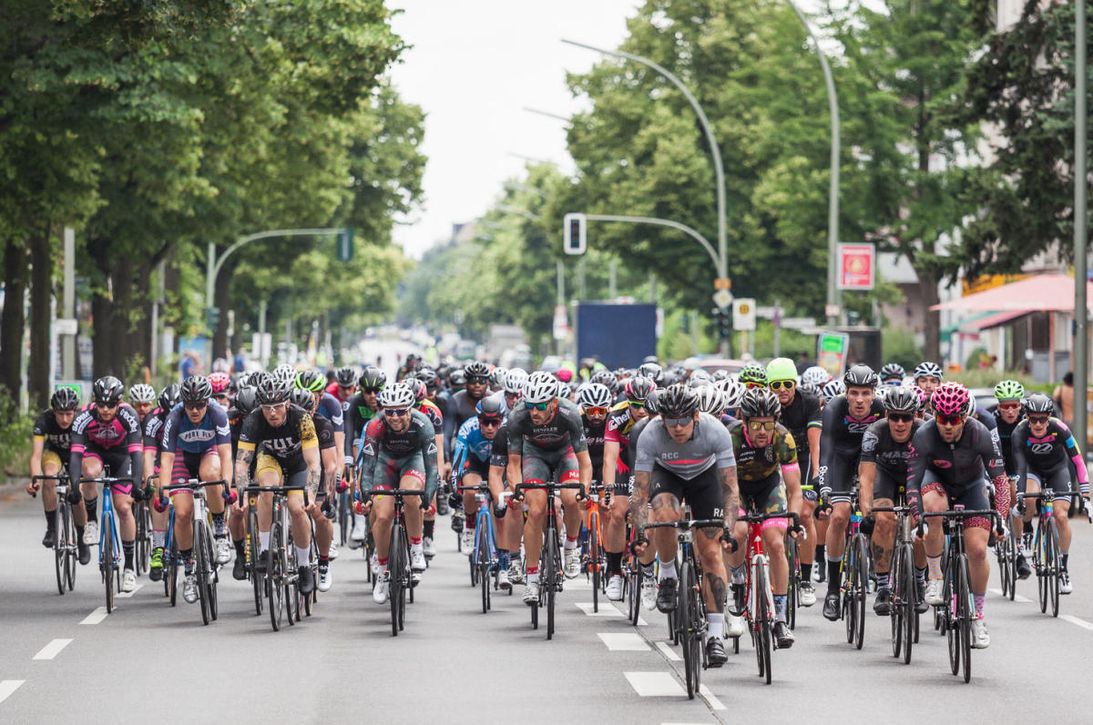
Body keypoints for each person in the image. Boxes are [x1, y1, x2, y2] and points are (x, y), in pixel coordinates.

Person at [630, 384, 740, 666]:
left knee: (711, 553)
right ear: (661, 420)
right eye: (670, 421)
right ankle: (668, 575)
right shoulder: (650, 435)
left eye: (683, 420)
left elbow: (730, 488)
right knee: (665, 514)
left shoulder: (716, 431)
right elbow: (640, 492)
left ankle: (715, 636)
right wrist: (641, 532)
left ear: (695, 416)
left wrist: (728, 528)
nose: (677, 428)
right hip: (668, 475)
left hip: (705, 477)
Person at [906, 382, 1010, 649]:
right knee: (934, 507)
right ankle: (935, 576)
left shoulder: (980, 434)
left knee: (978, 550)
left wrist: (1001, 518)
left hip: (971, 486)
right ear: (934, 415)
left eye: (954, 419)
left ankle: (978, 616)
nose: (948, 426)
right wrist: (918, 519)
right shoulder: (924, 435)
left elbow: (1000, 481)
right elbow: (912, 482)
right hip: (936, 482)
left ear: (965, 416)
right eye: (942, 418)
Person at [506, 371, 593, 604]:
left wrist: (584, 490)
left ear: (553, 402)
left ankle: (571, 547)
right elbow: (513, 464)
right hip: (534, 456)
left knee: (572, 497)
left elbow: (585, 461)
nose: (534, 412)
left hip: (565, 454)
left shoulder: (569, 413)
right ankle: (532, 578)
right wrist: (517, 491)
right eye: (530, 405)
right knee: (535, 511)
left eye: (541, 406)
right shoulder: (517, 416)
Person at [725, 388, 802, 649]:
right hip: (736, 488)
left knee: (776, 543)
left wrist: (794, 520)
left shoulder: (783, 438)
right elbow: (724, 486)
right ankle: (737, 579)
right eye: (756, 424)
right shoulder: (732, 438)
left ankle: (779, 617)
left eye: (768, 424)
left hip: (769, 487)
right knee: (739, 531)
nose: (762, 431)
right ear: (744, 422)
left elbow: (794, 489)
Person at [234, 374, 323, 595]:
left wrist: (311, 494)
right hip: (270, 458)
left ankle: (304, 565)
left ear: (287, 404)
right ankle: (265, 549)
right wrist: (241, 494)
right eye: (267, 408)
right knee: (266, 490)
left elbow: (313, 463)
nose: (272, 413)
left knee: (297, 508)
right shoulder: (253, 420)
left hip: (298, 464)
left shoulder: (302, 418)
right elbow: (242, 464)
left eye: (277, 407)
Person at [154, 376, 234, 603]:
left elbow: (226, 455)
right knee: (182, 513)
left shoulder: (217, 414)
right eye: (190, 405)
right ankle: (189, 571)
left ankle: (220, 531)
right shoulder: (175, 417)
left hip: (208, 453)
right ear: (184, 404)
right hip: (182, 457)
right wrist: (163, 494)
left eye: (200, 405)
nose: (195, 410)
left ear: (208, 402)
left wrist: (227, 486)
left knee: (211, 474)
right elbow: (167, 461)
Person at [358, 383, 438, 603]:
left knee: (410, 493)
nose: (394, 417)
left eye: (400, 411)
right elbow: (368, 467)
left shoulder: (424, 424)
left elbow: (432, 468)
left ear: (410, 409)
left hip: (413, 460)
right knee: (383, 516)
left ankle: (416, 547)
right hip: (385, 464)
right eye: (390, 411)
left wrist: (428, 496)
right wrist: (366, 495)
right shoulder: (375, 425)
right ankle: (383, 571)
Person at [817, 365, 884, 620]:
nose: (859, 399)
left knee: (880, 514)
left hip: (871, 461)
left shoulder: (881, 408)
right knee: (839, 515)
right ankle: (833, 589)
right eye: (854, 392)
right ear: (846, 393)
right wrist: (824, 489)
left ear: (873, 393)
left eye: (865, 393)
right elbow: (825, 451)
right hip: (840, 461)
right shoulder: (834, 408)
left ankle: (882, 577)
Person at [68, 376, 145, 592]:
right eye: (101, 404)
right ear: (95, 401)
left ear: (119, 402)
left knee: (124, 507)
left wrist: (137, 484)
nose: (105, 410)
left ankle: (129, 568)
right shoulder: (84, 415)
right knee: (88, 472)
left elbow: (136, 453)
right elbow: (75, 455)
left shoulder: (128, 414)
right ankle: (92, 521)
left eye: (111, 405)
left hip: (122, 456)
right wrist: (75, 487)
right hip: (96, 452)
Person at [858, 387, 926, 615]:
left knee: (921, 523)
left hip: (915, 476)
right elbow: (866, 478)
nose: (900, 423)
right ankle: (883, 586)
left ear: (915, 416)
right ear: (886, 415)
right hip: (885, 475)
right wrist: (868, 513)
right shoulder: (874, 432)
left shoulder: (924, 431)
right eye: (894, 417)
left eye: (906, 417)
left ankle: (919, 579)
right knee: (884, 519)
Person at [1012, 393, 1089, 594]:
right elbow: (1019, 467)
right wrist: (1020, 497)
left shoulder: (1060, 428)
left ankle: (1063, 568)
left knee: (1061, 516)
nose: (1038, 424)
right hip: (1033, 471)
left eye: (1042, 418)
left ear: (1049, 417)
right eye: (1033, 419)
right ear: (1026, 417)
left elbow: (1078, 460)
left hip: (1057, 470)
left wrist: (1086, 495)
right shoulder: (1019, 432)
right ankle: (1027, 531)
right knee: (1030, 497)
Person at [765, 357, 822, 607]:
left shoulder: (808, 401)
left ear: (795, 384)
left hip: (804, 457)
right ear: (768, 387)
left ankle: (806, 579)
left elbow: (815, 444)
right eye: (776, 385)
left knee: (806, 513)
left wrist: (817, 474)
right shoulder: (765, 404)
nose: (782, 390)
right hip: (775, 460)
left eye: (787, 384)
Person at [27, 388, 88, 563]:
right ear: (54, 412)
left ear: (75, 411)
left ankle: (82, 538)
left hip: (78, 455)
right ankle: (52, 529)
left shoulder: (83, 419)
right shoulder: (44, 420)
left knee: (76, 492)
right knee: (49, 477)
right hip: (54, 454)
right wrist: (34, 479)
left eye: (68, 414)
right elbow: (36, 455)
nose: (64, 419)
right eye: (60, 414)